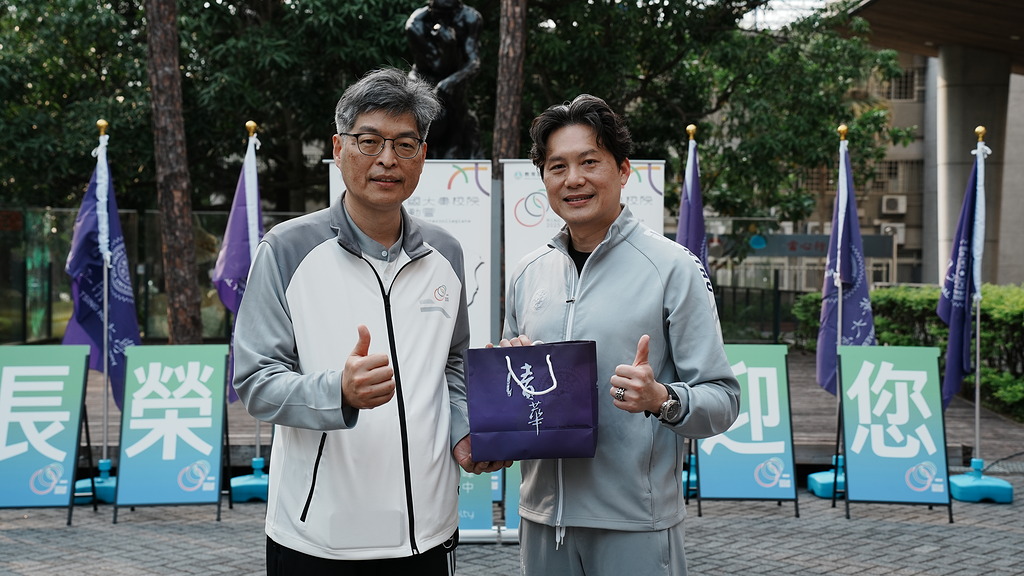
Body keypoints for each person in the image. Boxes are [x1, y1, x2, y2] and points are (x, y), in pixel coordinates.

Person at [232, 67, 507, 575]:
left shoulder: (445, 252)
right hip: (319, 538)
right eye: (369, 141)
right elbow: (255, 381)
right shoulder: (287, 250)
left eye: (405, 144)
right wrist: (337, 390)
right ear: (339, 148)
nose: (386, 159)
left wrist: (464, 430)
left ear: (422, 155)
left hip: (429, 531)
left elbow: (453, 364)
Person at [500, 94, 741, 576]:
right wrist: (510, 376)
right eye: (557, 166)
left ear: (624, 170)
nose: (573, 179)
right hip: (542, 521)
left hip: (635, 525)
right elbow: (513, 395)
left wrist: (661, 399)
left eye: (590, 162)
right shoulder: (528, 272)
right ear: (544, 178)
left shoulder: (672, 268)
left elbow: (723, 399)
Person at [405, 0, 483, 159]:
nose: (445, 19)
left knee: (459, 118)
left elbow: (474, 63)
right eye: (440, 14)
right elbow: (437, 65)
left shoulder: (470, 18)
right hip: (423, 76)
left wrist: (450, 82)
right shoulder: (416, 24)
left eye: (450, 14)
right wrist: (449, 45)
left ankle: (455, 155)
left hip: (454, 75)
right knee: (421, 117)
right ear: (430, 8)